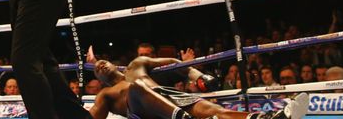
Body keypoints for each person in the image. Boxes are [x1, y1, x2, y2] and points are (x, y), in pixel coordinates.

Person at [90, 57, 309, 119]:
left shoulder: (136, 65)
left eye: (100, 62)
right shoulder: (105, 95)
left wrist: (199, 76)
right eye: (96, 70)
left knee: (216, 111)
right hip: (143, 112)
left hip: (169, 99)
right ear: (100, 79)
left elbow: (175, 63)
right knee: (137, 88)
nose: (99, 66)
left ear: (111, 62)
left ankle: (269, 118)